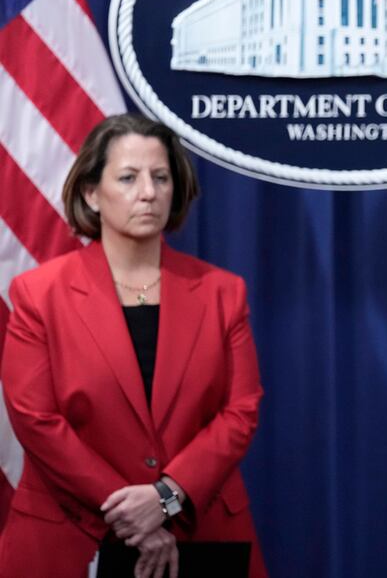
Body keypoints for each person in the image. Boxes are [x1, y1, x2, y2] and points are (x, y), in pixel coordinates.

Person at [0, 114, 266, 577]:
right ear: (91, 193)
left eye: (160, 177)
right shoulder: (38, 294)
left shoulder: (224, 292)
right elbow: (35, 418)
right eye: (128, 177)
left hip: (198, 533)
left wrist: (166, 496)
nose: (148, 192)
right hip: (70, 534)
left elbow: (240, 410)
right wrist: (135, 514)